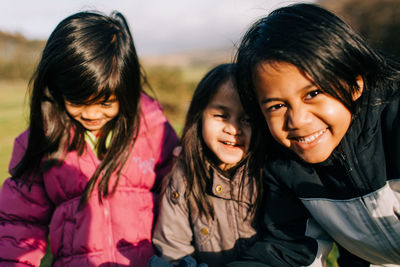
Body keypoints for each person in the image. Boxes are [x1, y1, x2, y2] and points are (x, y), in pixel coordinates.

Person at [0, 11, 179, 266]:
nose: (92, 114)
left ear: (126, 89)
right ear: (57, 88)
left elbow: (180, 196)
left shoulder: (154, 129)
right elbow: (18, 225)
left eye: (106, 102)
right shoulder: (43, 141)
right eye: (78, 102)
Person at [230, 3, 400, 267]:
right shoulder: (283, 167)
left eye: (313, 94)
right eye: (277, 106)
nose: (297, 120)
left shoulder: (395, 119)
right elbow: (290, 250)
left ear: (355, 84)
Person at [150, 64, 265, 267]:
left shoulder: (268, 172)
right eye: (221, 115)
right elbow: (173, 248)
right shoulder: (183, 178)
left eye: (247, 119)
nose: (233, 129)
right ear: (199, 116)